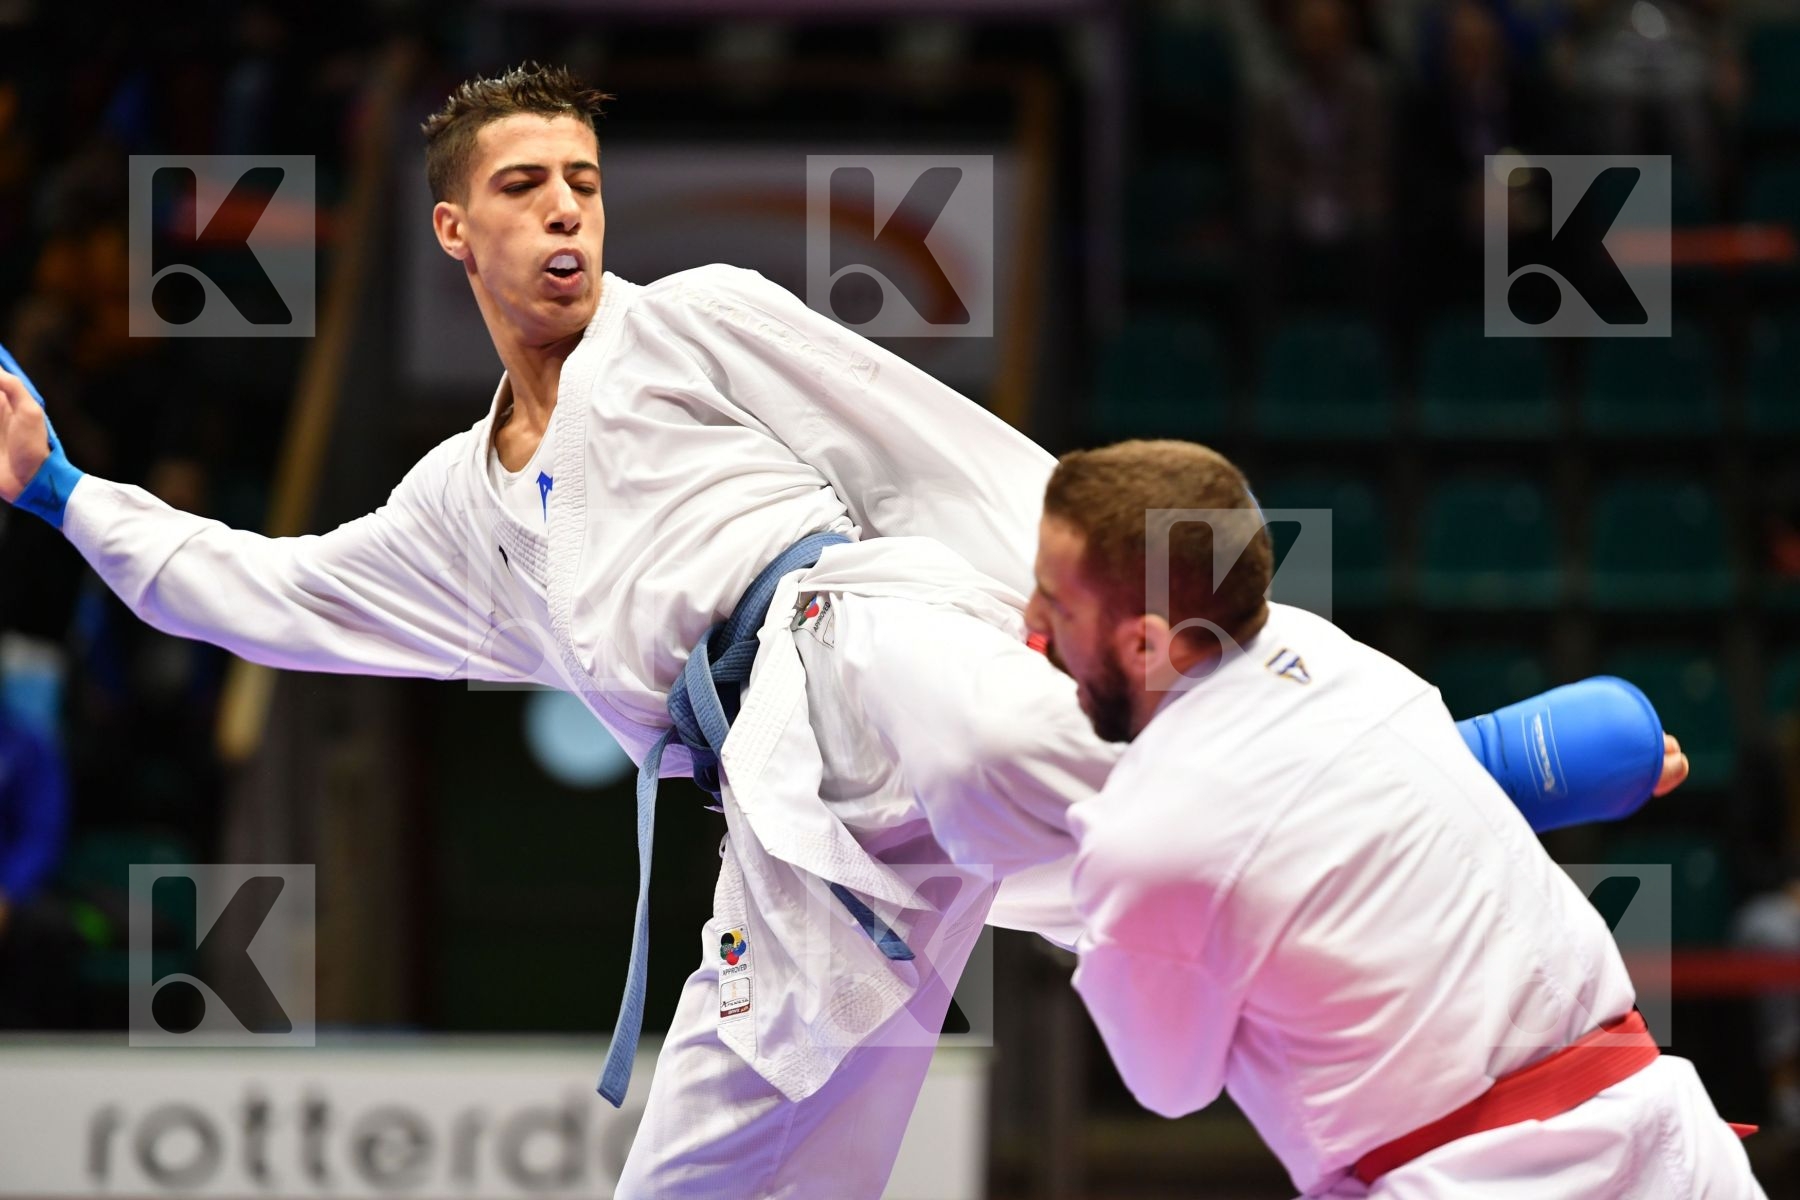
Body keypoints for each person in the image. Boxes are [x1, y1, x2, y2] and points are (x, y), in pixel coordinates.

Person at [0, 64, 1690, 1198]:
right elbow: (282, 597)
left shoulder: (699, 326)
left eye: (586, 182)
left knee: (1050, 774)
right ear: (457, 229)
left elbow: (932, 451)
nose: (570, 213)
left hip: (865, 646)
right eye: (527, 188)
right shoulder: (462, 508)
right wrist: (68, 495)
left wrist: (1113, 613)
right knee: (700, 1164)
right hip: (783, 827)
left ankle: (1439, 767)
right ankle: (1379, 777)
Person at [1023, 438, 1763, 1198]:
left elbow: (1169, 1086)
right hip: (1668, 1141)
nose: (1033, 622)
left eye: (1059, 605)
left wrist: (1121, 922)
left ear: (1145, 641)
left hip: (1472, 1181)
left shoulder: (1144, 840)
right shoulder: (1338, 656)